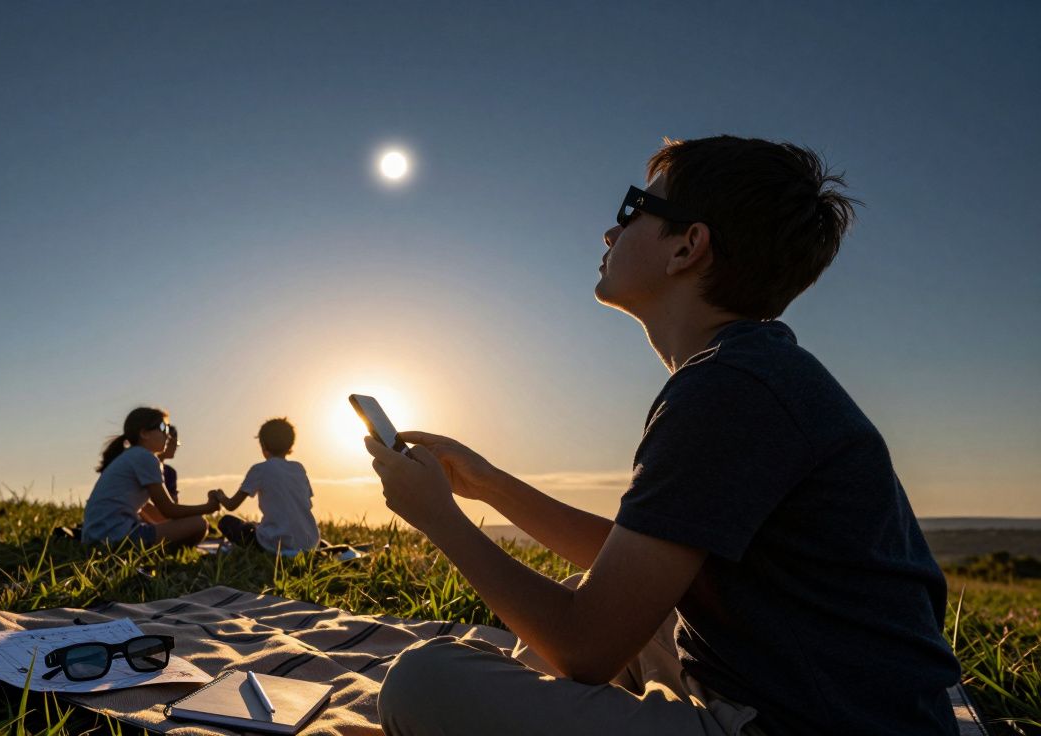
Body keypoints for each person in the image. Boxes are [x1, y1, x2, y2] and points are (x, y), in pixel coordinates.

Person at [365, 136, 960, 735]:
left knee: (423, 681)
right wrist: (490, 485)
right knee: (591, 595)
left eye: (633, 209)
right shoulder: (752, 369)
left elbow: (587, 648)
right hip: (820, 692)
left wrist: (437, 517)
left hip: (801, 722)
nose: (610, 232)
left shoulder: (727, 389)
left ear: (686, 246)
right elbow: (639, 560)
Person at [83, 406, 219, 548]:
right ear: (144, 433)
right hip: (116, 538)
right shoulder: (145, 457)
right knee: (199, 524)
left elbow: (156, 513)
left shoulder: (130, 456)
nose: (168, 435)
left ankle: (157, 551)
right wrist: (208, 507)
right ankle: (161, 554)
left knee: (182, 524)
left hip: (95, 538)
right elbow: (168, 509)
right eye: (163, 428)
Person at [210, 417, 320, 555]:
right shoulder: (299, 469)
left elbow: (231, 505)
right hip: (309, 542)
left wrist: (220, 496)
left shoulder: (259, 469)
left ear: (263, 445)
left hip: (274, 544)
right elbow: (306, 505)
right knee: (257, 526)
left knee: (226, 522)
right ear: (290, 445)